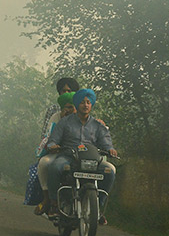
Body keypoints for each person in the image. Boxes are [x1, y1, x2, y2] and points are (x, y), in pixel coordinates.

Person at [45, 88, 118, 223]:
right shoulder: (65, 122)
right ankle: (54, 204)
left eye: (88, 102)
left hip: (91, 160)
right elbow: (53, 139)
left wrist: (110, 149)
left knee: (110, 171)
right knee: (54, 167)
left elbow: (106, 142)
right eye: (83, 102)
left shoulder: (97, 125)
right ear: (77, 104)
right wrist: (52, 146)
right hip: (69, 157)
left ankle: (98, 208)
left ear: (91, 105)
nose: (85, 105)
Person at [34, 91, 76, 215]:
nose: (68, 110)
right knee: (44, 163)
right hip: (57, 152)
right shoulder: (56, 117)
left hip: (76, 155)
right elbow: (48, 135)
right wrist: (52, 146)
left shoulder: (83, 118)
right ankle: (48, 199)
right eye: (66, 107)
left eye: (71, 107)